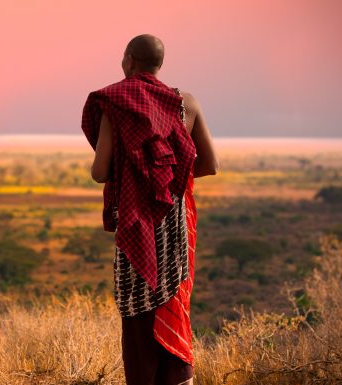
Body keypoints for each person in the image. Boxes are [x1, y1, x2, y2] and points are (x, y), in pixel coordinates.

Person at [81, 34, 219, 385]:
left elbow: (100, 172)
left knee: (138, 314)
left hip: (136, 224)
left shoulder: (117, 104)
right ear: (160, 64)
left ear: (128, 60)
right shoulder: (186, 103)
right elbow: (209, 165)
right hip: (174, 224)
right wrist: (168, 176)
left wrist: (135, 173)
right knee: (172, 302)